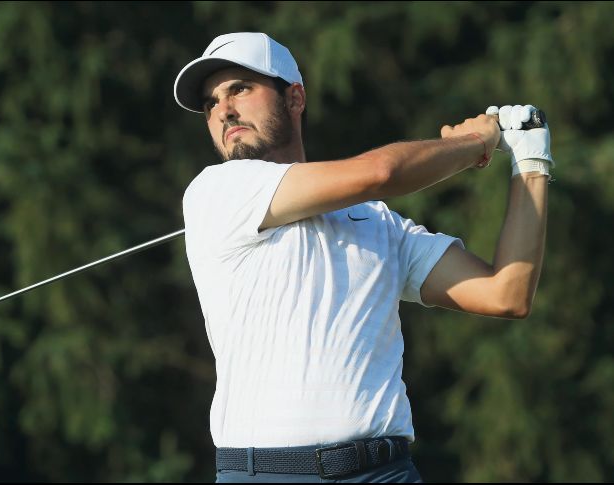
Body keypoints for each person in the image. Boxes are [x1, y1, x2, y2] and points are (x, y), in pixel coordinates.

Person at [174, 32, 552, 483]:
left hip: (384, 473)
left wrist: (531, 162)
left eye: (240, 88)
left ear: (295, 97)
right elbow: (381, 172)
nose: (223, 110)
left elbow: (506, 293)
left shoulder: (378, 223)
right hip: (268, 473)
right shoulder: (215, 190)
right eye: (210, 102)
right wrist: (477, 140)